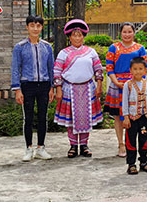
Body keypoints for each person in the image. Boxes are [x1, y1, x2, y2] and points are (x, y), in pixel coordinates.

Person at [53, 19, 103, 158]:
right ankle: (73, 145)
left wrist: (99, 85)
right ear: (69, 37)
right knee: (71, 119)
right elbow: (57, 72)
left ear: (83, 36)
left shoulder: (91, 52)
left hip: (87, 88)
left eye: (79, 35)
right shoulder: (64, 53)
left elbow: (98, 70)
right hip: (69, 88)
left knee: (86, 117)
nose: (77, 37)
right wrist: (58, 88)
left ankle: (85, 145)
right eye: (74, 35)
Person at [10, 14, 56, 162]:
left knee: (43, 117)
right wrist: (17, 89)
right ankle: (28, 148)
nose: (35, 29)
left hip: (43, 85)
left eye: (38, 26)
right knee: (28, 118)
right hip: (27, 85)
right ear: (27, 27)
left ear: (41, 27)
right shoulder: (20, 47)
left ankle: (41, 147)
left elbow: (51, 68)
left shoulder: (47, 47)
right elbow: (15, 69)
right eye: (32, 26)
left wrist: (51, 87)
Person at [105, 22, 147, 157]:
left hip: (135, 85)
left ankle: (133, 144)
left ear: (134, 33)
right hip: (117, 84)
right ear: (120, 33)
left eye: (130, 32)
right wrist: (116, 81)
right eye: (125, 32)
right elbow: (109, 66)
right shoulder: (114, 47)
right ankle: (121, 144)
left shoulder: (140, 48)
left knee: (135, 114)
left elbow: (145, 67)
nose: (127, 35)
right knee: (118, 116)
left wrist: (138, 84)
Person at [121, 57, 147, 174]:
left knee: (144, 140)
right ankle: (131, 164)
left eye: (140, 69)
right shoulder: (128, 85)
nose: (138, 71)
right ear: (130, 70)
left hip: (145, 117)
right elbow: (125, 101)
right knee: (131, 141)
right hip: (132, 118)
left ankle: (144, 162)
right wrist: (126, 117)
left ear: (145, 70)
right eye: (135, 69)